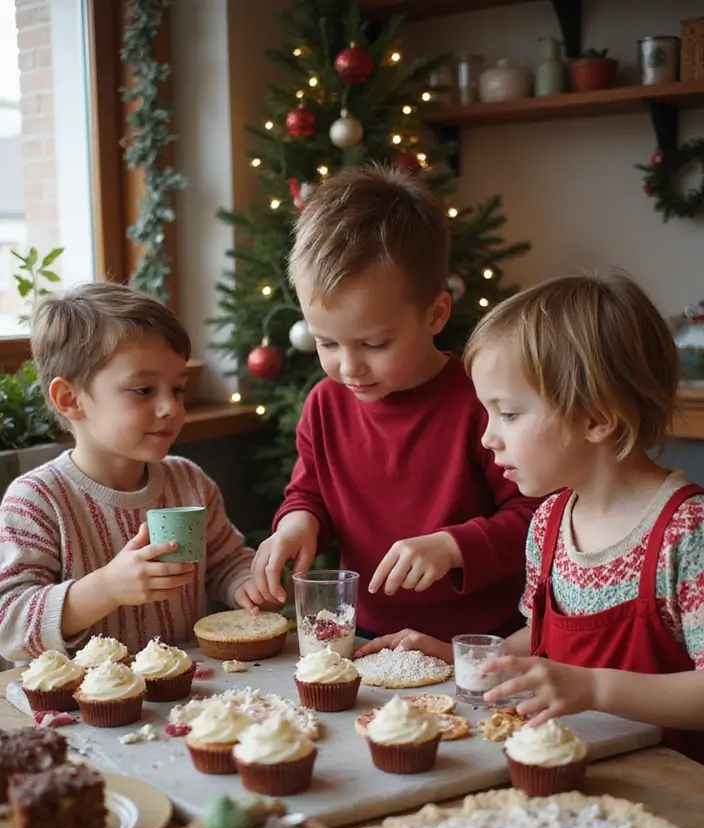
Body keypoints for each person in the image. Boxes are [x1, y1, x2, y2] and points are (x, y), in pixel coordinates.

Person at [361, 273, 704, 761]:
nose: (488, 438)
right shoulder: (548, 523)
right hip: (568, 772)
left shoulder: (686, 534)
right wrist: (464, 656)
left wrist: (596, 690)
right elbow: (542, 643)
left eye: (508, 414)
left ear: (596, 418)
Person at [249, 165, 538, 642]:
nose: (349, 368)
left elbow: (538, 520)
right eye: (327, 344)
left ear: (435, 314)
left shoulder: (484, 402)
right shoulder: (324, 405)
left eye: (374, 344)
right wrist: (297, 526)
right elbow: (310, 495)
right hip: (364, 637)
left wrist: (452, 546)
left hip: (477, 648)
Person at [0, 282, 264, 663]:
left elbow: (225, 562)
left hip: (185, 698)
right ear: (70, 399)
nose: (170, 408)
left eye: (177, 389)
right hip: (81, 712)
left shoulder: (189, 482)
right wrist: (106, 588)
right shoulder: (37, 500)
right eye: (143, 390)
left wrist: (245, 583)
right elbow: (9, 626)